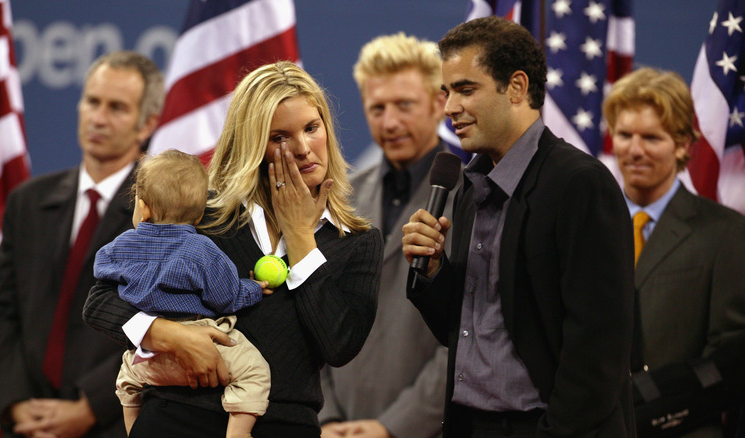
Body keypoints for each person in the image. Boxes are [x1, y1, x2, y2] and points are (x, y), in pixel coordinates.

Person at [82, 60, 384, 437]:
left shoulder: (355, 241)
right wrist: (165, 333)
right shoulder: (199, 216)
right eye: (280, 137)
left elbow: (339, 346)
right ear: (253, 144)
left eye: (312, 127)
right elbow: (100, 301)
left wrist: (301, 239)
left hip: (284, 426)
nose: (304, 148)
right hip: (175, 419)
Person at [401, 16, 636, 437]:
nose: (450, 107)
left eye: (466, 89)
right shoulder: (470, 189)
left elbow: (597, 352)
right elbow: (468, 333)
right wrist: (435, 271)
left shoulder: (580, 184)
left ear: (516, 87)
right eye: (447, 91)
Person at [0, 51, 164, 437]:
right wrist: (17, 405)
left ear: (146, 123)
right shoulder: (28, 201)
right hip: (28, 423)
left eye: (117, 107)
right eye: (92, 101)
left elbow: (165, 325)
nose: (98, 118)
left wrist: (91, 406)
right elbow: (5, 316)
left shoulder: (163, 214)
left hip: (114, 421)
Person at [319, 32, 453, 438]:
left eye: (404, 105)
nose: (390, 122)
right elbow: (314, 309)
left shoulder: (473, 199)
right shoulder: (339, 197)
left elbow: (468, 334)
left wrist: (392, 428)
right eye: (377, 108)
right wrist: (325, 419)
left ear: (439, 104)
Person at [603, 67, 745, 438]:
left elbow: (729, 358)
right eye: (625, 135)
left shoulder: (725, 233)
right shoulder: (583, 226)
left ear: (684, 144)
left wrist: (652, 407)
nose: (635, 150)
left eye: (651, 137)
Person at [92, 149, 272, 437]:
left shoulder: (120, 246)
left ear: (144, 207)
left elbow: (102, 270)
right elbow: (226, 297)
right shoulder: (202, 250)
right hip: (205, 347)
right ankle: (238, 433)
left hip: (147, 361)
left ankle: (132, 430)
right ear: (199, 215)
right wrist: (252, 289)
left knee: (125, 380)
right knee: (255, 372)